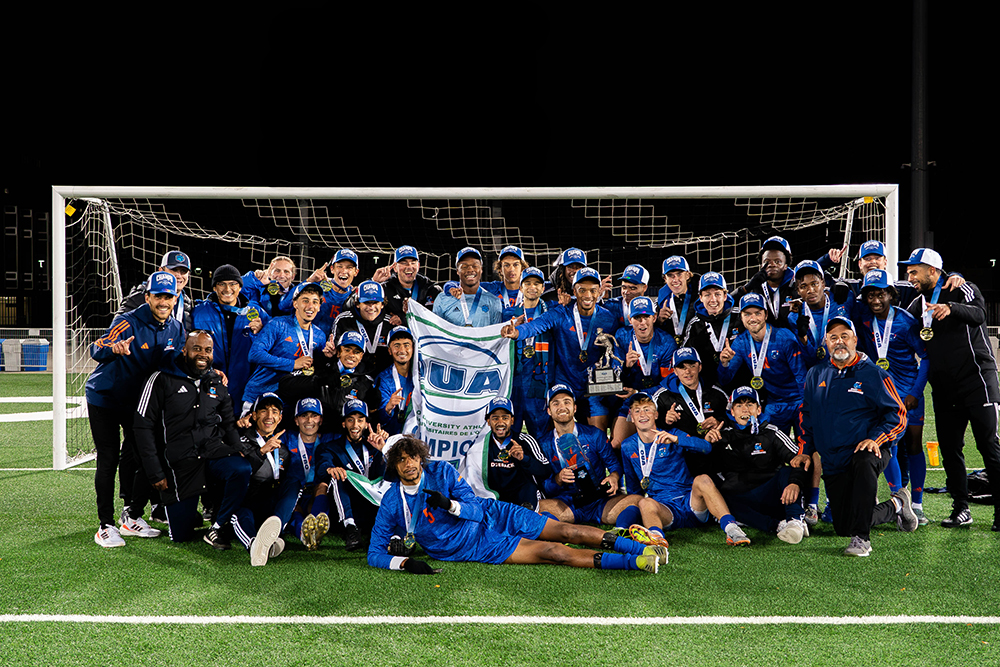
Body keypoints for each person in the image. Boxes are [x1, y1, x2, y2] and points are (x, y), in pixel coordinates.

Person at [367, 435, 666, 574]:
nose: (409, 464)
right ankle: (636, 562)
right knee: (554, 552)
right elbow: (374, 553)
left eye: (412, 456)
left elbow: (471, 503)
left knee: (565, 531)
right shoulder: (392, 502)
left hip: (492, 513)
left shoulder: (441, 470)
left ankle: (644, 549)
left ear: (420, 455)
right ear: (393, 466)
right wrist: (405, 563)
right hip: (474, 546)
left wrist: (451, 505)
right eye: (401, 460)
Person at [133, 330, 284, 566]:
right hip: (181, 463)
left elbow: (227, 422)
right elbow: (142, 428)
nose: (203, 354)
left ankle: (216, 525)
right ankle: (187, 509)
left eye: (208, 350)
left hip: (212, 454)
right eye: (197, 348)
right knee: (181, 536)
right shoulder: (161, 378)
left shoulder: (216, 381)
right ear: (184, 350)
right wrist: (155, 471)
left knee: (242, 467)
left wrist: (238, 448)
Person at [798, 316, 917, 556]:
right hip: (833, 458)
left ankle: (862, 540)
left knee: (864, 459)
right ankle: (898, 504)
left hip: (868, 450)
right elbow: (806, 416)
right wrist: (805, 451)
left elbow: (898, 414)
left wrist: (876, 439)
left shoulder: (874, 374)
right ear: (826, 343)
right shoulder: (815, 374)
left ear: (854, 339)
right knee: (843, 526)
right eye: (833, 338)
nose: (839, 342)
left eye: (844, 336)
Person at [901, 248, 1000, 529]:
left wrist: (951, 308)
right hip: (944, 388)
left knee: (988, 445)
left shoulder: (962, 288)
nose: (910, 277)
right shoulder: (916, 303)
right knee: (950, 450)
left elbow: (980, 313)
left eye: (914, 271)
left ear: (932, 271)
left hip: (976, 381)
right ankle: (961, 509)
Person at [87, 271, 184, 548]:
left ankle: (130, 516)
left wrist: (211, 373)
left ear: (175, 298)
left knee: (145, 456)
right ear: (147, 297)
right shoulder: (127, 321)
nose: (164, 302)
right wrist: (113, 348)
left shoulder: (176, 329)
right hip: (105, 398)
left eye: (169, 297)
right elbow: (97, 347)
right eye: (158, 296)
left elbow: (175, 362)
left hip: (137, 402)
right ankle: (105, 526)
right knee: (109, 459)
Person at [620, 392, 752, 546]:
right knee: (644, 502)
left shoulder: (673, 434)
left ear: (656, 414)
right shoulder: (627, 446)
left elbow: (706, 447)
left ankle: (732, 530)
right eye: (637, 411)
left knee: (702, 479)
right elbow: (633, 485)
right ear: (632, 417)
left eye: (647, 409)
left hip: (691, 502)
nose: (642, 414)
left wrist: (676, 440)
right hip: (664, 509)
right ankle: (657, 539)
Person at [502, 267, 620, 429]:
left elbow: (614, 349)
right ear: (574, 291)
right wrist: (517, 332)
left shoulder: (608, 318)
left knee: (598, 433)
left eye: (593, 290)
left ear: (599, 291)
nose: (587, 295)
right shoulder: (560, 313)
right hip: (565, 381)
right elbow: (536, 326)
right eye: (582, 290)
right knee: (561, 424)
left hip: (594, 384)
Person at [855, 269, 930, 523]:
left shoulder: (907, 322)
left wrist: (915, 392)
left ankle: (917, 504)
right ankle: (898, 499)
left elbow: (926, 358)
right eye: (871, 295)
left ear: (891, 295)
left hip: (908, 394)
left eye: (882, 294)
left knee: (914, 445)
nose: (876, 300)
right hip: (884, 396)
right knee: (889, 445)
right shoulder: (865, 323)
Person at [706, 386, 810, 544]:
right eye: (739, 406)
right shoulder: (722, 436)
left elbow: (801, 459)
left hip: (774, 495)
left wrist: (795, 483)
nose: (745, 410)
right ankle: (779, 526)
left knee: (788, 471)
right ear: (732, 412)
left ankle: (795, 520)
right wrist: (707, 445)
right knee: (718, 495)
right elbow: (706, 470)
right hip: (743, 499)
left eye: (750, 405)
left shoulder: (771, 432)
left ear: (759, 409)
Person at [534, 385, 644, 531]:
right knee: (535, 505)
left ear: (574, 408)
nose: (562, 407)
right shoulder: (543, 443)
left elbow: (614, 465)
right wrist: (558, 478)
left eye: (567, 402)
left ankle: (621, 531)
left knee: (638, 501)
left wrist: (613, 477)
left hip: (599, 500)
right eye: (556, 403)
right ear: (549, 411)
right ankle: (558, 533)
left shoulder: (594, 434)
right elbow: (544, 486)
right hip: (567, 503)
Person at [718, 293, 807, 436]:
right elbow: (725, 379)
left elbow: (801, 376)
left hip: (798, 399)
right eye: (747, 314)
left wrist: (805, 405)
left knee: (807, 446)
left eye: (757, 313)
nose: (752, 319)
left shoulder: (784, 337)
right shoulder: (741, 343)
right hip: (774, 403)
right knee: (771, 448)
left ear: (765, 315)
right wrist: (724, 364)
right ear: (741, 317)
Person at [243, 281, 331, 412]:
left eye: (315, 302)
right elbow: (255, 354)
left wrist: (328, 357)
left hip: (292, 401)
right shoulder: (278, 324)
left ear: (319, 307)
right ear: (295, 304)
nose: (310, 306)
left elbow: (316, 369)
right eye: (305, 300)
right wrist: (292, 364)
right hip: (260, 396)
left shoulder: (319, 336)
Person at [192, 263, 270, 408]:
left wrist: (260, 332)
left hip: (245, 387)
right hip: (209, 383)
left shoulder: (257, 312)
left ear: (240, 287)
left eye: (233, 284)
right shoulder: (198, 312)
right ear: (214, 287)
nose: (227, 289)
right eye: (222, 284)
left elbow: (271, 346)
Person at [317, 399, 386, 551]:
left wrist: (384, 451)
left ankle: (395, 535)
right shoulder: (331, 447)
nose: (355, 425)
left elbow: (387, 475)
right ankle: (350, 530)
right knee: (338, 476)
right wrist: (330, 469)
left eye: (360, 420)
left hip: (373, 503)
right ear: (344, 424)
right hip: (348, 506)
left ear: (367, 423)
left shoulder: (375, 446)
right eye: (350, 420)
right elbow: (322, 467)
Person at [458, 396, 551, 508]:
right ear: (488, 421)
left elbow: (545, 471)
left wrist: (524, 458)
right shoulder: (479, 446)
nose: (500, 422)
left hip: (523, 501)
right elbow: (474, 481)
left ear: (512, 420)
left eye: (505, 418)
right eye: (495, 418)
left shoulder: (525, 440)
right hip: (493, 499)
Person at [610, 296, 677, 448]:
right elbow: (615, 376)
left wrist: (639, 392)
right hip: (629, 399)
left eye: (646, 316)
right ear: (630, 319)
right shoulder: (621, 336)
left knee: (655, 443)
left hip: (657, 398)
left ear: (654, 317)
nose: (642, 322)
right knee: (616, 444)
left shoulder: (666, 342)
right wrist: (626, 366)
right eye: (637, 317)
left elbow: (668, 383)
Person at [501, 268, 554, 436]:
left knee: (541, 434)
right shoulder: (508, 314)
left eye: (537, 283)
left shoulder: (552, 312)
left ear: (543, 288)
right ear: (521, 288)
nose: (533, 287)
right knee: (510, 432)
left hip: (540, 381)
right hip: (514, 382)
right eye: (528, 283)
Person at [681, 272, 747, 390]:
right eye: (707, 295)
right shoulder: (695, 324)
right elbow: (683, 356)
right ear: (700, 297)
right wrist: (695, 345)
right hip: (709, 387)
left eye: (717, 294)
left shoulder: (740, 317)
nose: (713, 300)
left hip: (740, 383)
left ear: (725, 296)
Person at [787, 260, 849, 370]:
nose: (810, 290)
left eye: (814, 284)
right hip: (820, 374)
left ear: (823, 283)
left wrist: (845, 284)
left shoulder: (843, 298)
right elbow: (810, 359)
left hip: (848, 368)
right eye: (803, 286)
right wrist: (803, 338)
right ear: (798, 291)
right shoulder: (795, 317)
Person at [283, 248, 361, 331]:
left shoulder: (355, 297)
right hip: (304, 339)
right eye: (340, 266)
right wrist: (309, 280)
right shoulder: (316, 287)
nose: (344, 271)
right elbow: (284, 306)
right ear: (332, 269)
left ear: (356, 272)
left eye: (349, 267)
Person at [117, 249, 194, 331]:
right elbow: (118, 325)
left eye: (183, 271)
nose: (178, 275)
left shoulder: (186, 303)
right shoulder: (143, 294)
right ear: (161, 270)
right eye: (174, 270)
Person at [433, 247, 504, 327]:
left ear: (481, 269)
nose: (470, 269)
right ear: (457, 271)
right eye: (464, 266)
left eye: (475, 266)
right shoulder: (442, 299)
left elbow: (496, 336)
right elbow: (436, 332)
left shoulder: (494, 301)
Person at [374, 245, 442, 326]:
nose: (409, 267)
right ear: (395, 267)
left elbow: (437, 318)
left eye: (413, 263)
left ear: (418, 266)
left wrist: (403, 318)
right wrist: (374, 282)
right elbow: (368, 311)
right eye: (404, 263)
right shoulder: (385, 289)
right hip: (397, 336)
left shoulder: (432, 289)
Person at [333, 279, 391, 371]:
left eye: (375, 302)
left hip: (383, 375)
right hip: (352, 375)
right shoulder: (343, 320)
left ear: (382, 304)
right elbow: (336, 352)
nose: (371, 307)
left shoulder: (390, 323)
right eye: (366, 302)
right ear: (357, 303)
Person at [375, 326, 415, 435]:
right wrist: (388, 407)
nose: (402, 350)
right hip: (393, 438)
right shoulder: (384, 379)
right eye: (397, 346)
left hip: (417, 437)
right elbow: (380, 420)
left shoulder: (421, 376)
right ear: (389, 350)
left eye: (406, 345)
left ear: (413, 348)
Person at [657, 256, 699, 344]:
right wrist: (659, 320)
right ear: (665, 279)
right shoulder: (661, 302)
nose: (675, 280)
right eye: (670, 276)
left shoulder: (701, 298)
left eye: (679, 274)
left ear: (687, 275)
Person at [605, 264, 653, 329]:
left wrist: (660, 321)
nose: (627, 292)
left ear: (644, 288)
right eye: (624, 287)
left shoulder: (652, 309)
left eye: (633, 288)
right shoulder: (610, 306)